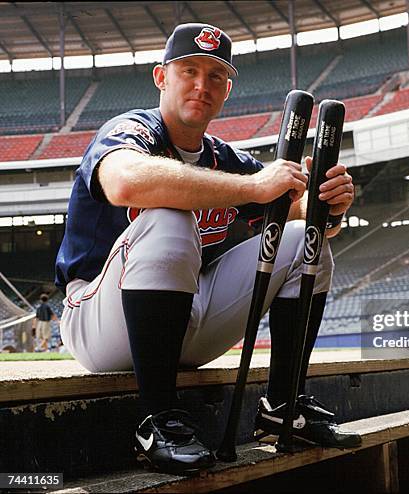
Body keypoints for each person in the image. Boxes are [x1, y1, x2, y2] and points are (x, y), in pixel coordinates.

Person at [55, 23, 360, 475]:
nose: (202, 84)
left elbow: (298, 220)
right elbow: (123, 181)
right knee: (167, 217)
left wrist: (327, 207)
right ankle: (156, 420)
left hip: (185, 317)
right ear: (161, 78)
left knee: (301, 241)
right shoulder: (131, 129)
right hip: (98, 321)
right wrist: (255, 186)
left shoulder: (227, 159)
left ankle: (282, 406)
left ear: (227, 89)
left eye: (216, 75)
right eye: (189, 71)